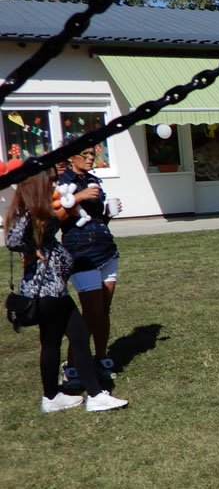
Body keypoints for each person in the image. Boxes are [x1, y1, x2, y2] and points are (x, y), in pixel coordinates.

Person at [5, 168, 128, 412]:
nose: (54, 187)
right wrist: (32, 246)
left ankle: (51, 397)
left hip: (51, 288)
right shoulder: (32, 211)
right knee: (79, 337)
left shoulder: (37, 209)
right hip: (47, 289)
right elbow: (13, 239)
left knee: (52, 342)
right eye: (50, 183)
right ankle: (95, 395)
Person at [57, 144, 122, 387]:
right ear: (71, 157)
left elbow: (95, 219)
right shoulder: (62, 181)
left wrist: (108, 214)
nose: (90, 158)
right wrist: (78, 197)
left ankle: (101, 357)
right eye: (85, 155)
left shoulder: (94, 180)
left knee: (104, 310)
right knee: (92, 312)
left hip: (106, 249)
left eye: (93, 155)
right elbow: (58, 217)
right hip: (81, 253)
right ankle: (72, 364)